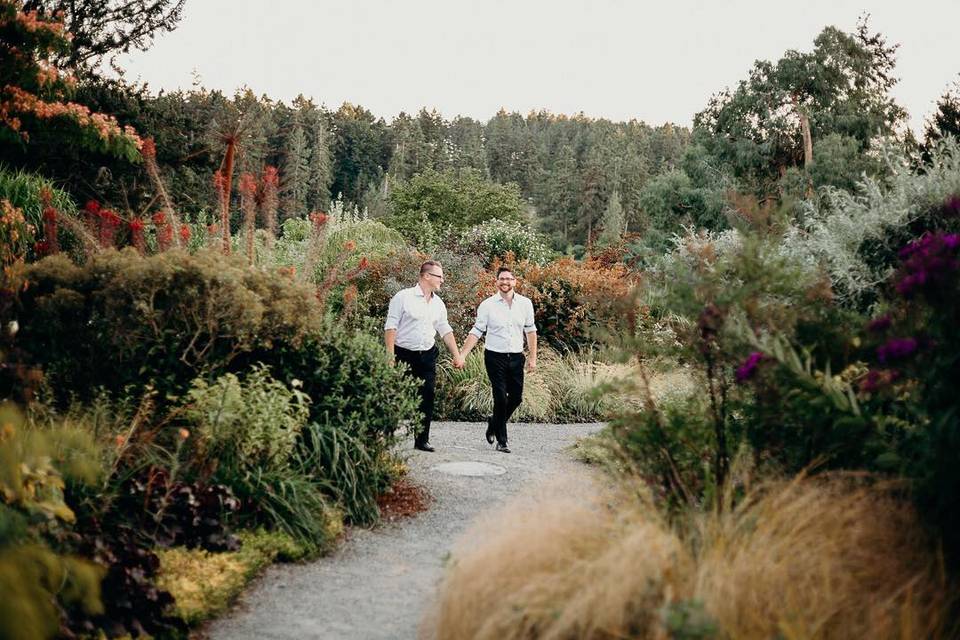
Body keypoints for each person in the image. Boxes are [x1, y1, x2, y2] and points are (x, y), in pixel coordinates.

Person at [385, 260, 464, 452]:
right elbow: (391, 326)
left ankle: (421, 440)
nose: (442, 280)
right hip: (403, 355)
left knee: (427, 396)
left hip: (427, 356)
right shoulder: (403, 297)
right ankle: (386, 437)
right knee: (394, 396)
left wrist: (457, 355)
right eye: (439, 276)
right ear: (426, 276)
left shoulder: (438, 304)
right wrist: (390, 356)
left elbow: (445, 330)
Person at [459, 266, 537, 453]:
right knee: (500, 397)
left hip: (517, 357)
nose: (505, 282)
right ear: (496, 282)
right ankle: (502, 441)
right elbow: (477, 331)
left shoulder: (525, 304)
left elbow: (531, 331)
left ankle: (493, 423)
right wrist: (462, 354)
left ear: (515, 282)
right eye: (502, 279)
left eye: (509, 279)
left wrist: (532, 357)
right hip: (494, 357)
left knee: (516, 398)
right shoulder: (487, 305)